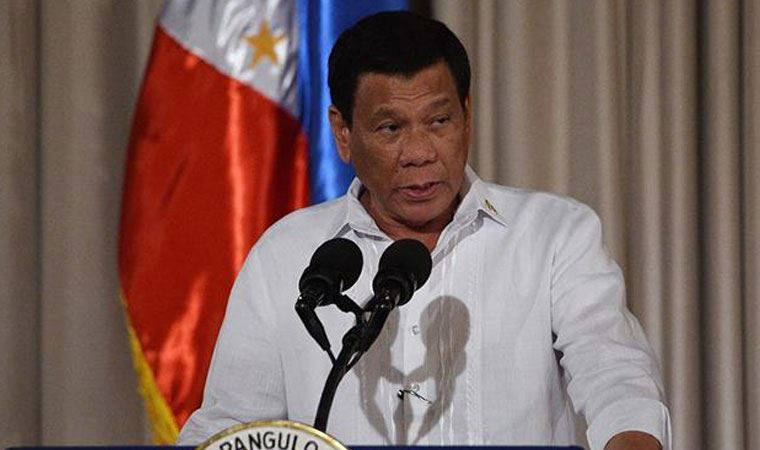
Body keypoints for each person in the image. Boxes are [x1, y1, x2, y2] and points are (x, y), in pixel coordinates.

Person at [178, 11, 670, 450]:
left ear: (467, 116)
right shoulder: (287, 255)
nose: (420, 152)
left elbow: (615, 374)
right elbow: (231, 427)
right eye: (391, 128)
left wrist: (631, 437)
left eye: (439, 121)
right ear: (343, 133)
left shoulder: (554, 235)